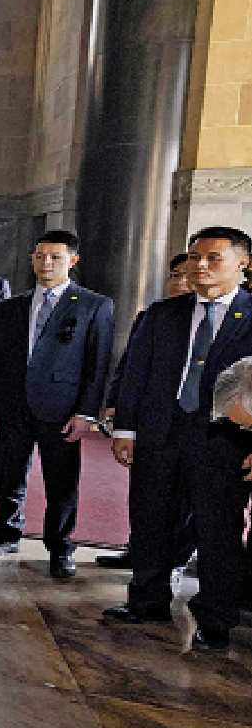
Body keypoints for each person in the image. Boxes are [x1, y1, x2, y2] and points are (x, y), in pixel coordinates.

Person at [103, 227, 252, 653]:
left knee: (217, 531)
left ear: (243, 264)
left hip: (224, 443)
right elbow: (136, 374)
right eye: (194, 256)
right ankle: (147, 600)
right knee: (150, 521)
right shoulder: (161, 314)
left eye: (213, 258)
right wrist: (126, 430)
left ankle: (215, 618)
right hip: (159, 436)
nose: (200, 265)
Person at [0, 231, 114, 578]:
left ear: (72, 261)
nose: (45, 263)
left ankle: (60, 546)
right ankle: (6, 534)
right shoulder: (12, 306)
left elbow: (98, 365)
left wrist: (86, 413)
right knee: (10, 473)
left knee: (61, 481)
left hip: (62, 410)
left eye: (55, 257)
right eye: (39, 256)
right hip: (12, 404)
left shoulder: (94, 305)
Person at [95, 252, 192, 570]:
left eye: (185, 275)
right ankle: (139, 554)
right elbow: (129, 367)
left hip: (198, 428)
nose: (180, 282)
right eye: (175, 275)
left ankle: (176, 558)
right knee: (147, 499)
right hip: (154, 424)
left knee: (186, 501)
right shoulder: (154, 314)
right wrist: (117, 405)